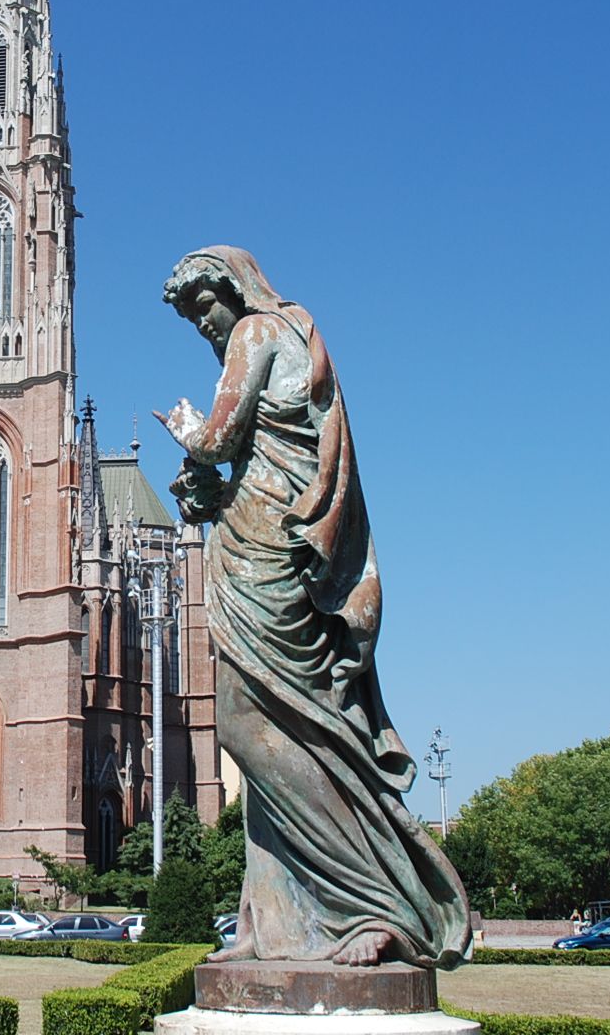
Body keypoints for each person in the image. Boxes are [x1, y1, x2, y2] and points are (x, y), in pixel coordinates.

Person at [158, 246, 469, 969]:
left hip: (269, 547)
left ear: (232, 290)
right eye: (193, 318)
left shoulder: (255, 334)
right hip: (261, 532)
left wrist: (186, 430)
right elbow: (256, 454)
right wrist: (211, 490)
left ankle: (374, 901)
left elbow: (219, 437)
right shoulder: (292, 334)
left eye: (205, 307)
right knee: (277, 726)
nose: (203, 326)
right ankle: (271, 925)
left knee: (248, 723)